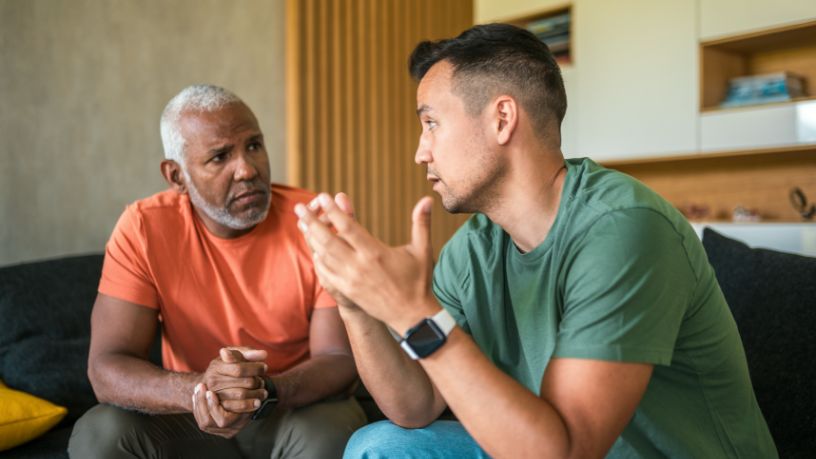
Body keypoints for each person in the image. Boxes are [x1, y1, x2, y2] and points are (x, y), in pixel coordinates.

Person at [295, 24, 777, 458]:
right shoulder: (475, 248)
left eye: (431, 123)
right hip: (537, 443)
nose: (421, 152)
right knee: (380, 447)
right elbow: (414, 405)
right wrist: (354, 303)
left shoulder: (624, 228)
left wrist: (413, 314)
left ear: (502, 118)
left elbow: (569, 449)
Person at [68, 85, 366, 459]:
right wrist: (201, 391)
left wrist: (263, 391)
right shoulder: (143, 227)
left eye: (254, 146)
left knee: (335, 431)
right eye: (220, 156)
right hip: (191, 418)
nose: (247, 169)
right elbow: (107, 366)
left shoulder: (315, 220)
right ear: (176, 176)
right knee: (100, 434)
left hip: (291, 409)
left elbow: (339, 357)